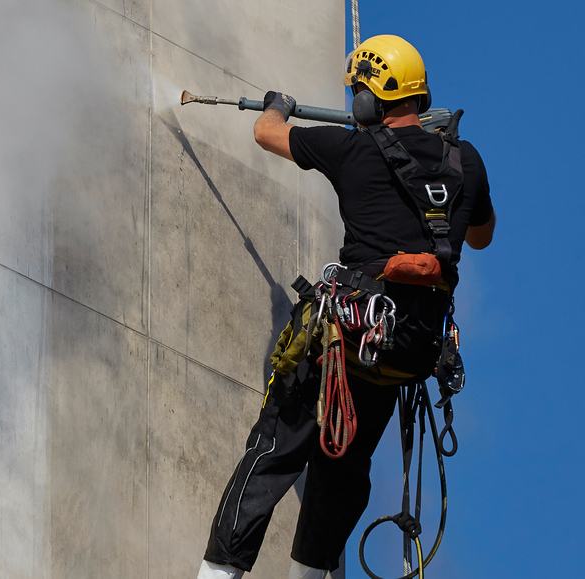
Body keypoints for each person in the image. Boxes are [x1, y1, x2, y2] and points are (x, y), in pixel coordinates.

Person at [196, 35, 496, 579]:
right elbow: (480, 236)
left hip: (348, 338)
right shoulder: (465, 159)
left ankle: (217, 575)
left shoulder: (353, 149)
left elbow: (267, 134)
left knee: (274, 451)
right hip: (403, 353)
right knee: (344, 467)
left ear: (369, 101)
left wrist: (277, 104)